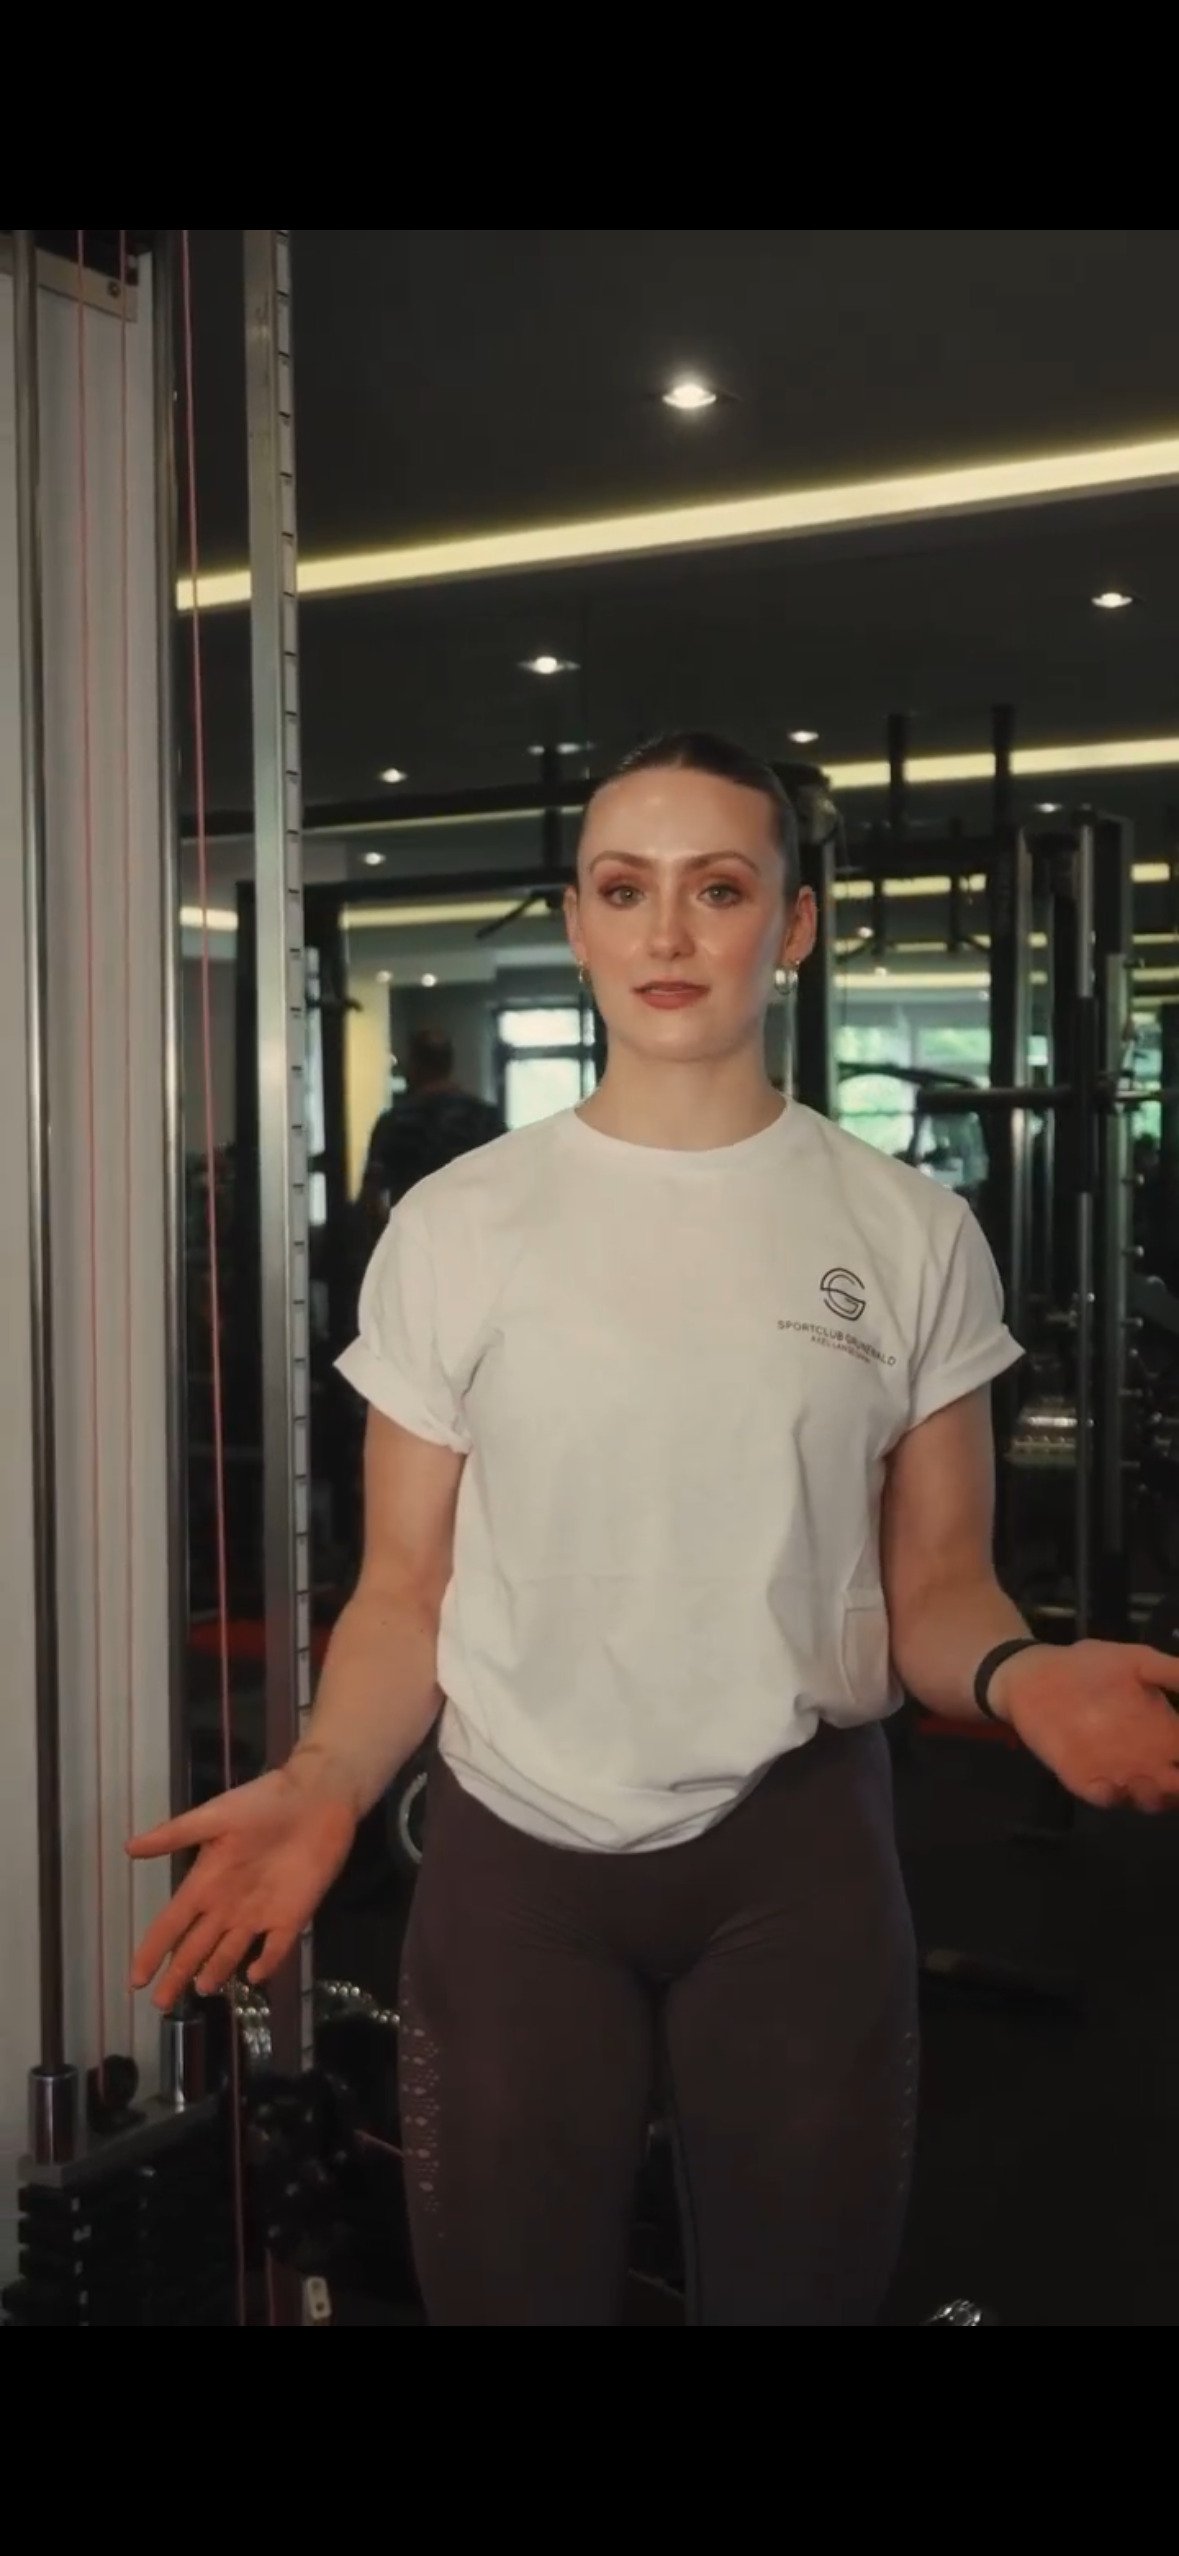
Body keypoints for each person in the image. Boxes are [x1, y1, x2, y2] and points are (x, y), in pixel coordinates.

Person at [130, 732, 1179, 2327]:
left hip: (797, 1851)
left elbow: (937, 1591)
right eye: (625, 891)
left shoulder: (902, 1229)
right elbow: (405, 1590)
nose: (668, 934)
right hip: (511, 1863)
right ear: (577, 918)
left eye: (717, 888)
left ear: (797, 923)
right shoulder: (459, 1223)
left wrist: (1023, 1678)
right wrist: (334, 1774)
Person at [358, 1026, 504, 1235]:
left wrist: (390, 1237)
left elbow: (371, 1199)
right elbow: (506, 1186)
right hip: (472, 1237)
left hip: (416, 1239)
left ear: (415, 1064)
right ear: (450, 1064)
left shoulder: (395, 1123)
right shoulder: (485, 1119)